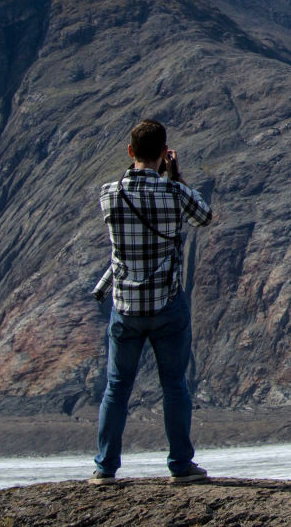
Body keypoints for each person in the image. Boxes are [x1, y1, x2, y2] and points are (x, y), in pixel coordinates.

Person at [89, 119, 214, 486]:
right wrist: (175, 177)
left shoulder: (109, 193)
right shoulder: (174, 193)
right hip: (166, 305)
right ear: (164, 152)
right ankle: (180, 465)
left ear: (130, 152)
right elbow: (204, 217)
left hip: (125, 307)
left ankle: (105, 467)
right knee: (174, 385)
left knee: (116, 387)